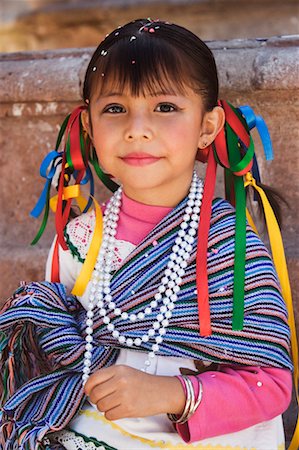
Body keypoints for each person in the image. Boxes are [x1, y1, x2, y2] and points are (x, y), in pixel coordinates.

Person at [0, 18, 297, 450]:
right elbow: (50, 351)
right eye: (115, 109)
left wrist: (169, 394)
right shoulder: (79, 239)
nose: (137, 127)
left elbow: (270, 384)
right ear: (88, 128)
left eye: (165, 107)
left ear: (208, 127)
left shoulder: (227, 247)